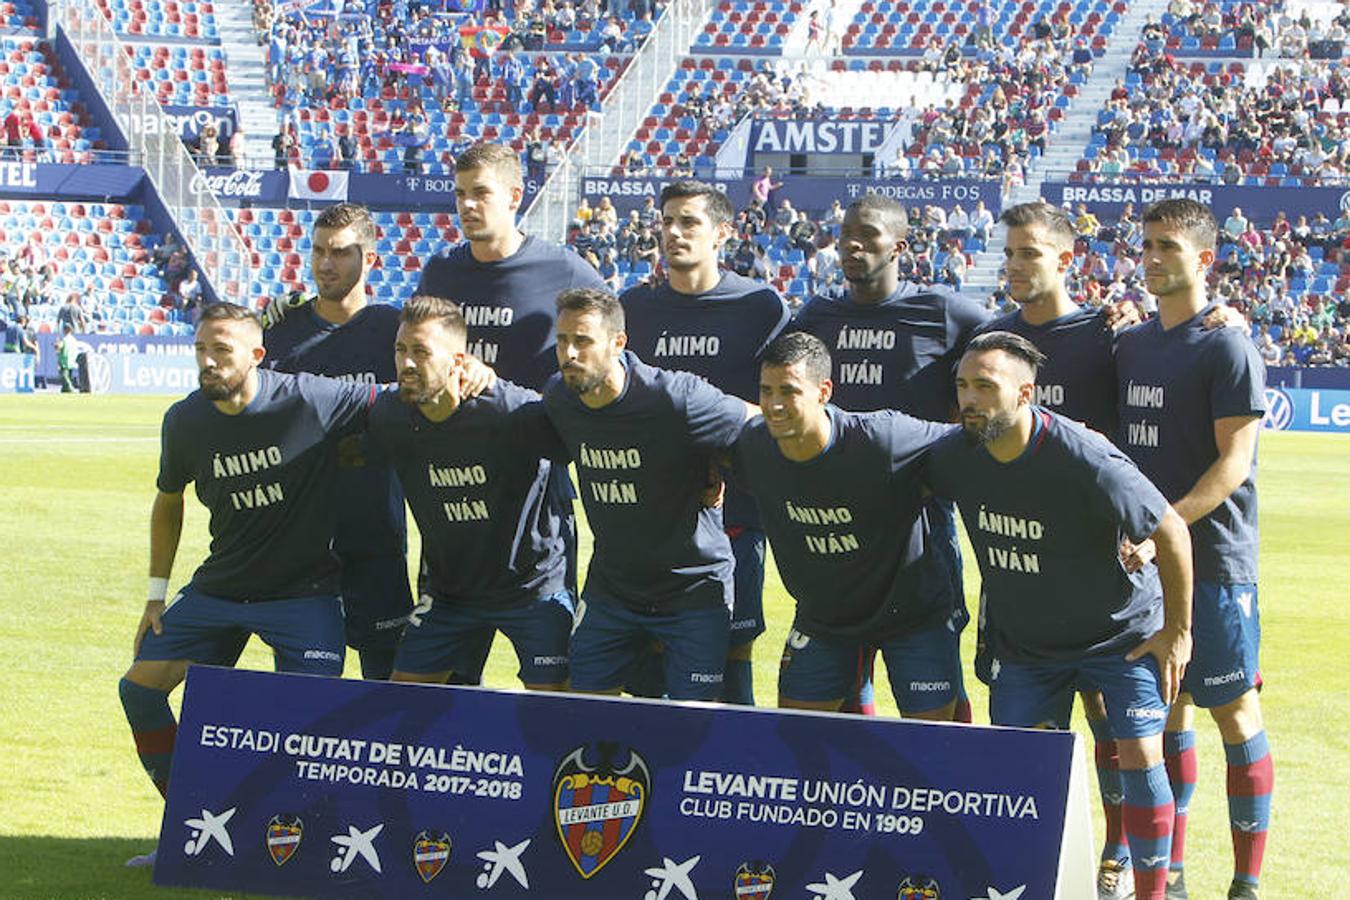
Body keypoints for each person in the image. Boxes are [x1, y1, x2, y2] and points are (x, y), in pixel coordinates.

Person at [926, 329, 1194, 900]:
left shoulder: (1085, 455)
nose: (970, 399)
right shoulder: (953, 455)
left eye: (985, 387)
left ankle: (1144, 886)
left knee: (1141, 755)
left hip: (1119, 635)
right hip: (1027, 647)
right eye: (963, 386)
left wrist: (1177, 632)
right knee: (1017, 770)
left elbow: (1170, 530)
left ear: (1025, 394)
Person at [118, 302, 378, 866]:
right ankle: (191, 822)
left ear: (257, 356)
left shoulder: (309, 397)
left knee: (309, 725)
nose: (207, 363)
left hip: (304, 594)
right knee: (139, 690)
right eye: (200, 351)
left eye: (221, 352)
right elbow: (169, 499)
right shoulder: (185, 419)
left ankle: (298, 842)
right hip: (220, 589)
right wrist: (156, 592)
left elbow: (392, 396)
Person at [1115, 200, 1271, 900]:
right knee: (1167, 711)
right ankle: (1171, 874)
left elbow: (1234, 463)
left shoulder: (1227, 345)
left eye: (1167, 247)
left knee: (1233, 711)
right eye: (1145, 245)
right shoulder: (1133, 343)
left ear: (1204, 259)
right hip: (1147, 566)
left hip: (1213, 562)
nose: (1151, 257)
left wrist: (1162, 530)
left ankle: (1245, 882)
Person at [414, 142, 608, 682]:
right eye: (460, 194)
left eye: (481, 193)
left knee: (551, 680)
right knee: (443, 681)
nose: (468, 205)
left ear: (515, 197)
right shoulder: (441, 272)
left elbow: (614, 348)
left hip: (536, 494)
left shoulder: (564, 269)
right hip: (453, 488)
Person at [793, 193, 990, 719]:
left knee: (934, 710)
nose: (853, 245)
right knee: (832, 694)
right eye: (846, 236)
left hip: (919, 525)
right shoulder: (816, 315)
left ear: (900, 246)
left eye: (869, 236)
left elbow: (1024, 349)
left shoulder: (945, 313)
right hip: (833, 526)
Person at [620, 180, 791, 705]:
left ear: (722, 233)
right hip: (647, 515)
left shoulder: (760, 306)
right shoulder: (634, 308)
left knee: (733, 651)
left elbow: (781, 404)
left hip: (735, 513)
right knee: (646, 655)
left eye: (688, 221)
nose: (673, 231)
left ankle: (733, 778)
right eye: (667, 220)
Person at [543, 288, 754, 700]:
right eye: (563, 341)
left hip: (692, 590)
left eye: (583, 340)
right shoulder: (560, 397)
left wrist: (718, 460)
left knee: (691, 726)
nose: (569, 353)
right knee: (581, 712)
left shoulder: (675, 398)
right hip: (612, 590)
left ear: (618, 343)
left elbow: (759, 423)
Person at [733, 332, 960, 716]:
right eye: (765, 391)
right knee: (797, 739)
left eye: (788, 391)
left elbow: (969, 446)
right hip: (824, 619)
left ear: (824, 391)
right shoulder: (753, 446)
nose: (773, 405)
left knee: (934, 749)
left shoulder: (883, 439)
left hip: (913, 616)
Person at [369, 296, 573, 690]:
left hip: (531, 589)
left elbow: (583, 433)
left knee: (557, 710)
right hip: (450, 595)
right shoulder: (389, 414)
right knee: (399, 699)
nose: (407, 363)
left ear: (459, 361)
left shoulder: (512, 411)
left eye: (421, 352)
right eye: (401, 350)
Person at [261, 203, 412, 681]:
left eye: (342, 253)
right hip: (299, 546)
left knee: (384, 688)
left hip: (376, 536)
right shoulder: (279, 334)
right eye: (319, 251)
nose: (326, 264)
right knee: (304, 692)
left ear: (372, 259)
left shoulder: (397, 333)